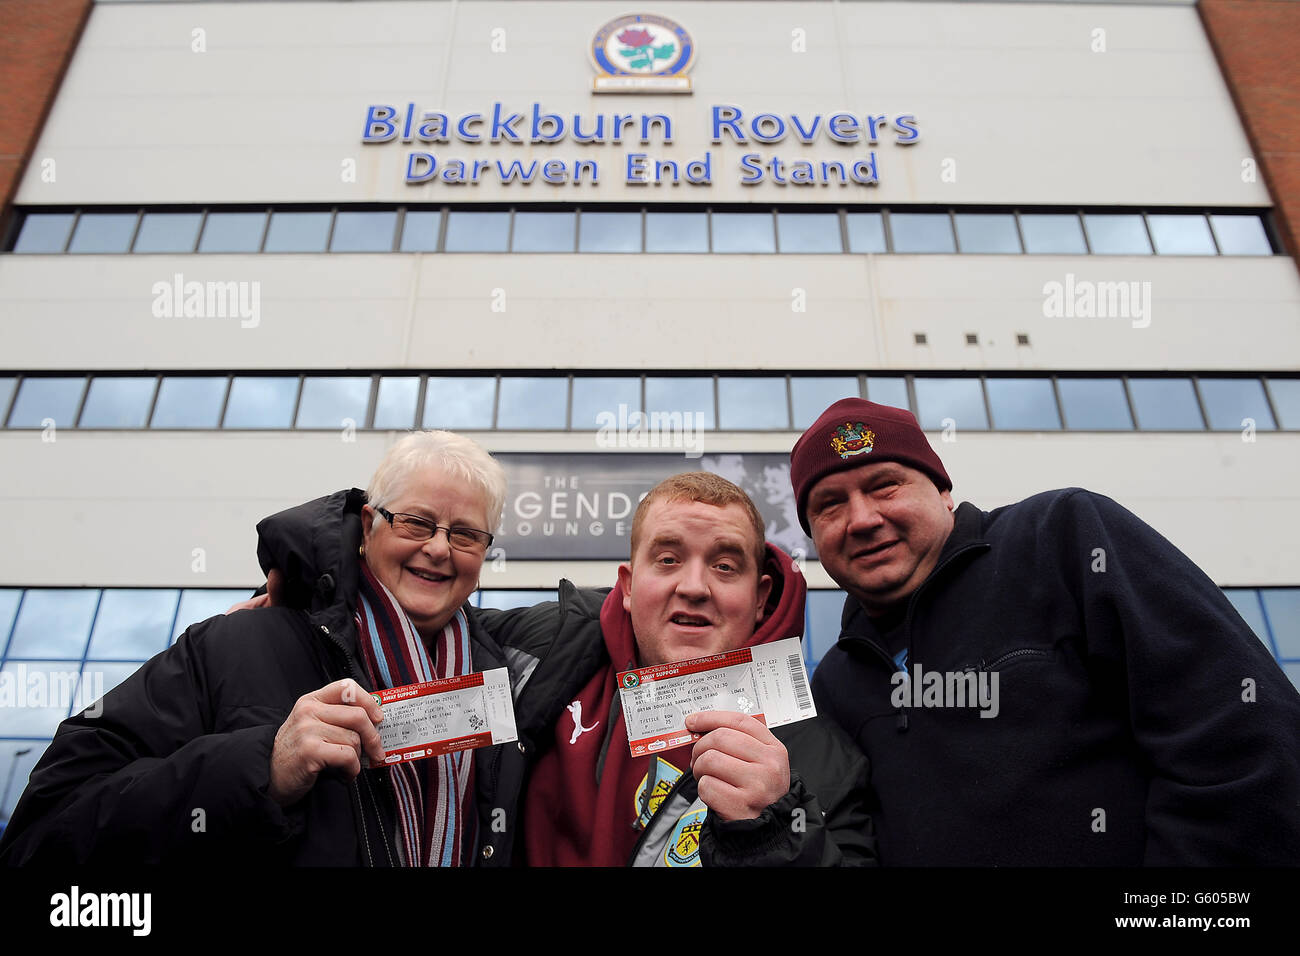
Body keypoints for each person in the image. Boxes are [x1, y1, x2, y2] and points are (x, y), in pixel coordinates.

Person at [789, 397, 1300, 865]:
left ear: (944, 492)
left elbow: (1242, 735)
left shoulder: (1062, 539)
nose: (861, 519)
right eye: (829, 505)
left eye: (885, 485)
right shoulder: (834, 683)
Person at [0, 430, 534, 865]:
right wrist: (261, 770)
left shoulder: (507, 683)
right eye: (416, 522)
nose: (439, 548)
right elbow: (42, 836)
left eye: (465, 534)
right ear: (368, 526)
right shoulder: (235, 644)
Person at [480, 472, 874, 866]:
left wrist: (773, 833)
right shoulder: (538, 655)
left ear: (760, 597)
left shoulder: (830, 760)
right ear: (629, 586)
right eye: (668, 560)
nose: (694, 587)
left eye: (724, 566)